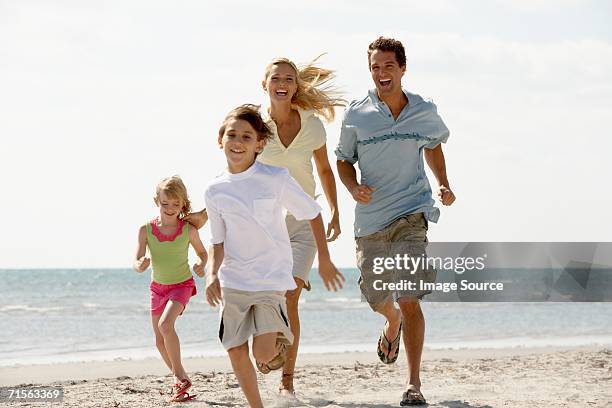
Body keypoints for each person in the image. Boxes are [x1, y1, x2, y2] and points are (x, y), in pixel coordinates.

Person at [335, 37, 456, 406]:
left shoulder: (424, 110)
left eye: (389, 65)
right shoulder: (357, 114)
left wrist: (444, 183)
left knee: (409, 298)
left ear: (403, 68)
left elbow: (433, 144)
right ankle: (391, 323)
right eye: (375, 67)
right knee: (377, 298)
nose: (382, 73)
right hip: (370, 220)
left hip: (412, 213)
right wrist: (353, 187)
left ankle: (413, 383)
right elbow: (342, 158)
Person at [204, 104, 344, 408]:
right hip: (234, 281)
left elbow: (312, 214)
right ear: (220, 140)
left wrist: (325, 258)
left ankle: (276, 344)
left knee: (263, 356)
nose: (238, 142)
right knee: (234, 347)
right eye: (232, 135)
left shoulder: (275, 178)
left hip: (269, 281)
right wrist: (212, 273)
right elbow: (217, 240)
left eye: (246, 136)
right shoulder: (215, 190)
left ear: (259, 144)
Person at [257, 56, 345, 395]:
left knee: (290, 294)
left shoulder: (312, 125)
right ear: (264, 84)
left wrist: (335, 211)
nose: (282, 82)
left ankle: (287, 381)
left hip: (303, 222)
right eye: (276, 78)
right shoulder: (255, 124)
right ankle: (267, 348)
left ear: (296, 87)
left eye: (289, 79)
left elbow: (324, 170)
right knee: (270, 295)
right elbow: (237, 171)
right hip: (264, 224)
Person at [133, 175, 208, 403]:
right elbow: (136, 261)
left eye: (176, 204)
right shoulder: (145, 230)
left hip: (181, 285)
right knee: (158, 339)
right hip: (158, 289)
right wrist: (140, 264)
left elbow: (203, 253)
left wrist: (202, 264)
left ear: (183, 204)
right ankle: (181, 378)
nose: (170, 209)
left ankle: (178, 376)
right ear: (157, 200)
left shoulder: (188, 230)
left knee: (166, 325)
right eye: (165, 203)